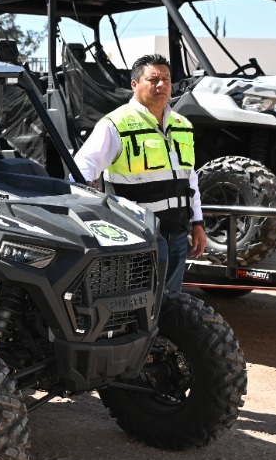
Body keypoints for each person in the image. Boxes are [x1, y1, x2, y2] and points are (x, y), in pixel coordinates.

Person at [74, 53, 207, 293]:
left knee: (170, 305)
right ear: (134, 84)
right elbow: (82, 168)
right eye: (153, 79)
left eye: (166, 79)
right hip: (137, 235)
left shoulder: (182, 125)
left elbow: (190, 178)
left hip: (176, 233)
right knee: (136, 302)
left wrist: (197, 223)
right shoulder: (115, 124)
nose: (161, 85)